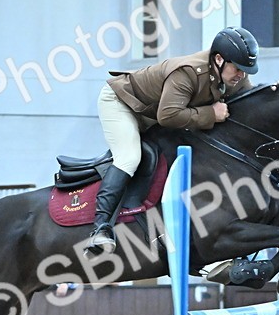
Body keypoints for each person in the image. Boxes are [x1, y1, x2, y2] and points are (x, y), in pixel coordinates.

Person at [89, 26, 259, 251]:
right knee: (129, 157)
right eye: (238, 68)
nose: (242, 75)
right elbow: (168, 115)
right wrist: (211, 114)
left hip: (153, 114)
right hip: (122, 104)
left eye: (246, 70)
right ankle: (101, 228)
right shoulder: (188, 72)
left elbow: (250, 103)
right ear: (219, 59)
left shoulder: (233, 78)